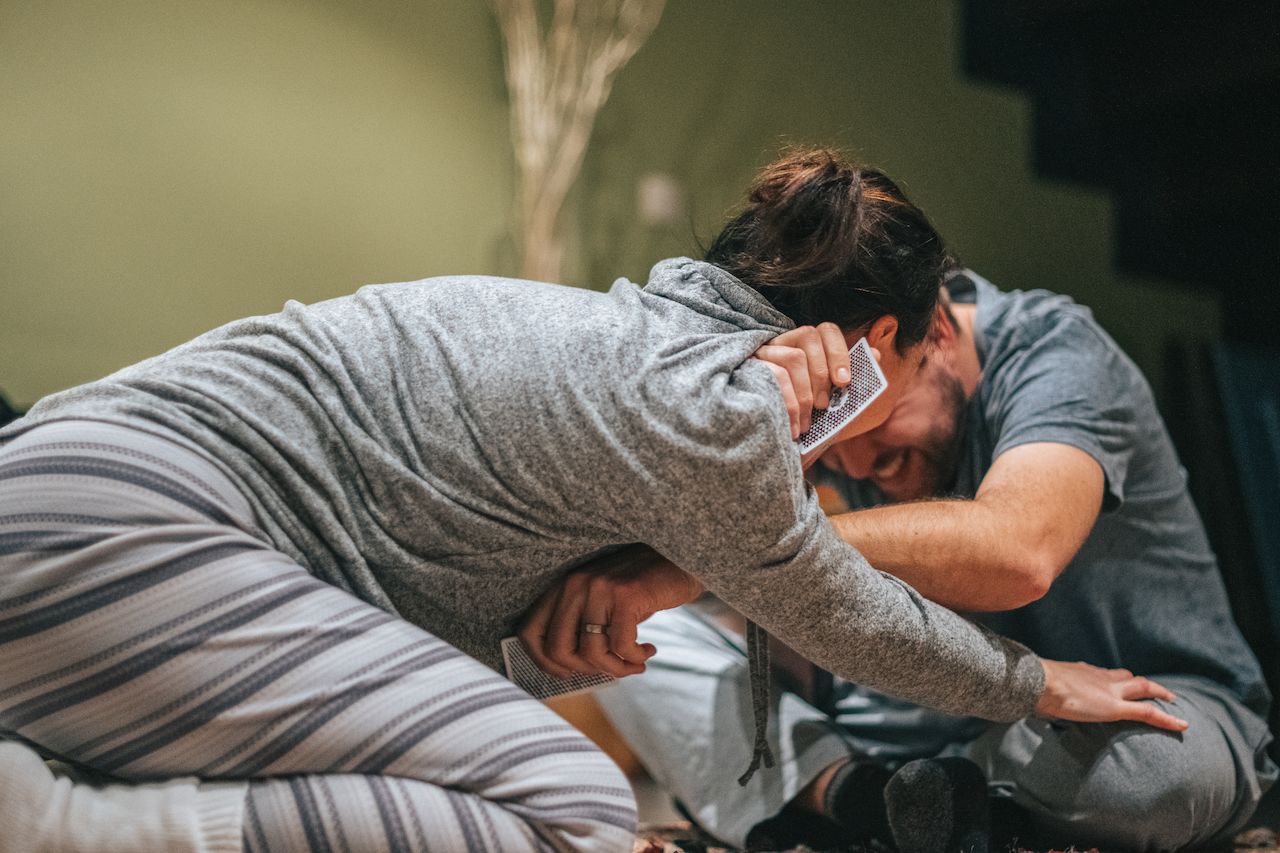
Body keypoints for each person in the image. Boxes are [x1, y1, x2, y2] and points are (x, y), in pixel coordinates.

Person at [0, 148, 1183, 853]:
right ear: (874, 341)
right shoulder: (711, 411)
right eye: (917, 356)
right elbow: (850, 616)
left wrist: (535, 650)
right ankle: (62, 825)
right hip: (132, 526)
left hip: (68, 493)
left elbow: (417, 564)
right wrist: (1034, 681)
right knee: (573, 800)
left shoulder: (625, 333)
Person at [582, 260, 1277, 850]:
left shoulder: (1059, 356)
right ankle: (874, 797)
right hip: (916, 709)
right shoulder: (844, 416)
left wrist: (757, 549)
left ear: (933, 333)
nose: (852, 460)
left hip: (1115, 705)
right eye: (835, 421)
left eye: (872, 410)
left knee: (1153, 778)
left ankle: (868, 796)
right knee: (617, 625)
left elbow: (1019, 551)